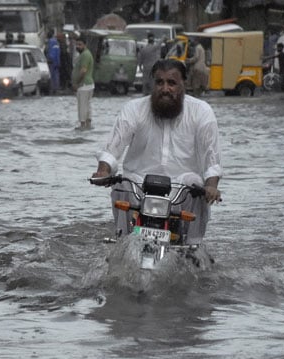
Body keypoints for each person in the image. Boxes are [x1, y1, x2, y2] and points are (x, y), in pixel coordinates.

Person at [90, 59, 223, 244]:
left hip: (182, 189)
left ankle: (193, 248)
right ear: (153, 84)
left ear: (184, 84)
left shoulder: (202, 112)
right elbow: (113, 147)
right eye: (160, 82)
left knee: (197, 185)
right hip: (139, 185)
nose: (165, 89)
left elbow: (212, 160)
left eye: (172, 83)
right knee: (121, 184)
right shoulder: (134, 109)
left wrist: (211, 186)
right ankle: (122, 243)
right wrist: (103, 171)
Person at [71, 35, 94, 130]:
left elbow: (83, 70)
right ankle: (88, 124)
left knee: (82, 106)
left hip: (83, 85)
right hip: (89, 84)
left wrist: (77, 83)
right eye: (77, 44)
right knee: (87, 105)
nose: (78, 47)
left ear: (85, 45)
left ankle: (82, 125)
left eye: (80, 44)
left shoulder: (85, 55)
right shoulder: (87, 54)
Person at [46, 30, 61, 94]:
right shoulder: (56, 42)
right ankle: (56, 88)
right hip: (56, 61)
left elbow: (51, 52)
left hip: (51, 61)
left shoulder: (51, 42)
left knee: (52, 75)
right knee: (56, 75)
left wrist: (49, 59)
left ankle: (53, 89)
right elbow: (57, 52)